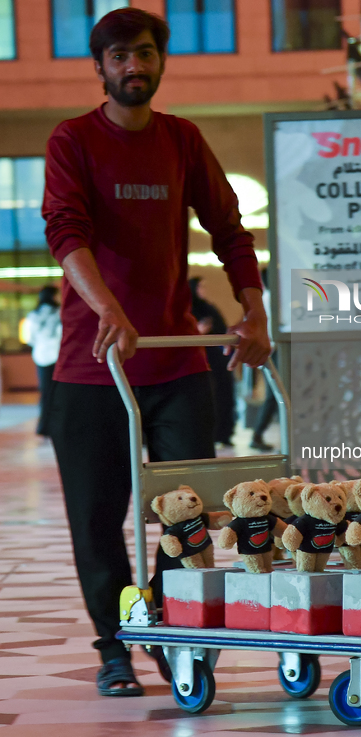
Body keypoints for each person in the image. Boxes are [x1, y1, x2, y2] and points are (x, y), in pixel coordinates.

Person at [42, 8, 270, 698]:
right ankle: (117, 644)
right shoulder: (72, 139)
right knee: (97, 519)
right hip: (92, 368)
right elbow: (65, 229)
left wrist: (252, 310)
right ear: (100, 66)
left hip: (174, 367)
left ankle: (173, 632)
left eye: (143, 54)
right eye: (118, 57)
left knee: (188, 516)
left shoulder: (182, 140)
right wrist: (105, 305)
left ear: (160, 60)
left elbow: (229, 229)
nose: (133, 67)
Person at [189, 276, 236, 447]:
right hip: (199, 360)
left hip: (217, 359)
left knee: (224, 394)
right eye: (200, 286)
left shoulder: (209, 308)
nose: (203, 290)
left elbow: (222, 329)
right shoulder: (188, 309)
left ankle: (224, 433)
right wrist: (198, 331)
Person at [24, 285, 62, 437]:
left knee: (45, 392)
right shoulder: (59, 313)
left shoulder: (33, 315)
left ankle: (43, 427)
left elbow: (29, 338)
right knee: (58, 393)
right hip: (57, 356)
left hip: (40, 356)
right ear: (53, 296)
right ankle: (56, 426)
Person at [251, 268, 277, 451]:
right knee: (274, 396)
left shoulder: (266, 299)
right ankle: (257, 434)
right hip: (275, 352)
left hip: (272, 351)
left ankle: (258, 434)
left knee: (276, 396)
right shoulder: (271, 300)